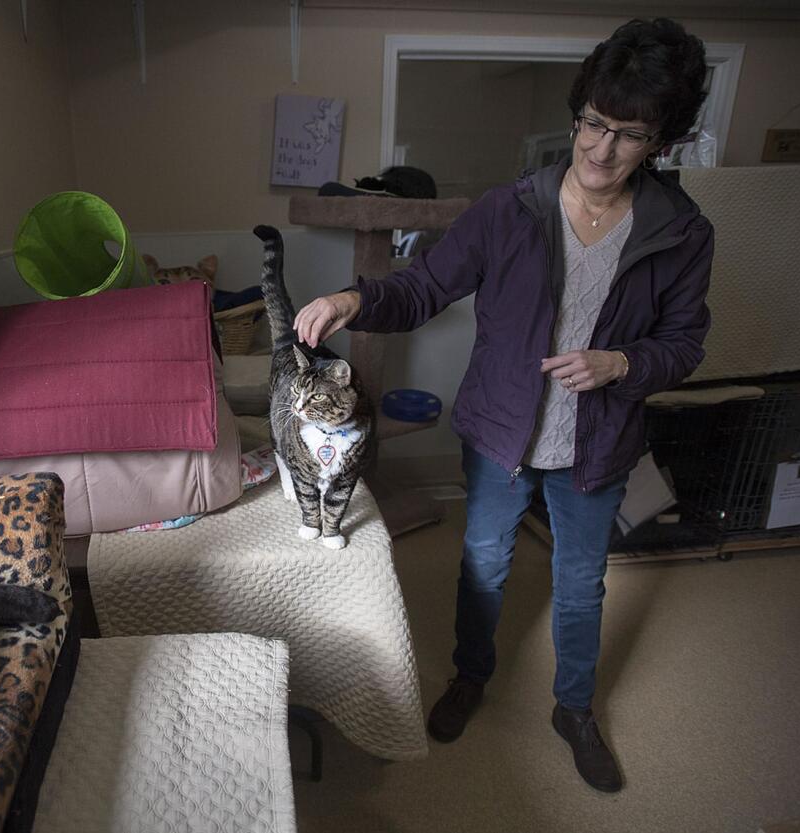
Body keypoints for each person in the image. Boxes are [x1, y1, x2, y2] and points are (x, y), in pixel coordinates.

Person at [292, 18, 713, 793]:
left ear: (662, 141)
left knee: (582, 582)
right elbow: (423, 286)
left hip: (599, 441)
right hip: (499, 432)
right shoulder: (508, 208)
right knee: (483, 562)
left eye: (628, 133)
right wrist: (354, 297)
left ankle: (575, 708)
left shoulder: (681, 232)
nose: (600, 148)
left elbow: (686, 343)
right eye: (592, 121)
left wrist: (622, 361)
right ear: (577, 110)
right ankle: (471, 675)